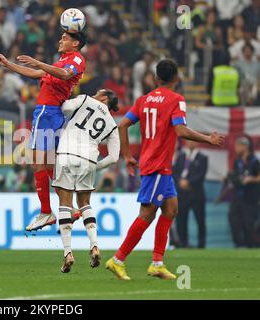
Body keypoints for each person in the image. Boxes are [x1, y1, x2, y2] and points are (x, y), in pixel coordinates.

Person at [105, 59, 224, 281]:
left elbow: (122, 125)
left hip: (159, 166)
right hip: (157, 165)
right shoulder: (176, 99)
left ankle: (157, 263)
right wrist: (208, 138)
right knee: (147, 214)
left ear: (156, 79)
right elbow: (180, 130)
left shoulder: (143, 100)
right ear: (177, 79)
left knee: (171, 210)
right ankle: (118, 259)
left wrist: (128, 156)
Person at [0, 31, 87, 231]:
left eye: (65, 38)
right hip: (50, 113)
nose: (60, 40)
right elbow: (37, 74)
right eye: (60, 37)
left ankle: (46, 212)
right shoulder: (61, 61)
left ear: (76, 43)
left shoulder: (76, 59)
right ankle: (68, 206)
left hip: (47, 111)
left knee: (37, 163)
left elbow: (64, 74)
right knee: (49, 165)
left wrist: (38, 62)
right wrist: (8, 64)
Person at [52, 89, 120, 273]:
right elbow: (114, 157)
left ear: (105, 97)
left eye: (99, 92)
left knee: (65, 204)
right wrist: (95, 166)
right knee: (85, 203)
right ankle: (94, 245)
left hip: (67, 153)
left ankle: (67, 253)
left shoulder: (85, 100)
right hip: (89, 159)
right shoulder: (113, 124)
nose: (95, 93)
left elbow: (64, 107)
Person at [220, 135, 260, 248]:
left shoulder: (254, 161)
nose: (236, 148)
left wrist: (251, 179)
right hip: (237, 196)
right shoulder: (237, 161)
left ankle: (251, 246)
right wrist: (229, 178)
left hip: (250, 198)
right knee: (233, 219)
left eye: (238, 145)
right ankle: (238, 244)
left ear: (245, 146)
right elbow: (236, 176)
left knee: (248, 223)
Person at [173, 139, 208, 248]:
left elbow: (201, 174)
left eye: (193, 141)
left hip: (196, 193)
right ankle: (183, 243)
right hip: (182, 194)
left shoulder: (202, 158)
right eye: (189, 141)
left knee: (200, 220)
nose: (191, 143)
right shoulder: (180, 156)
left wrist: (188, 182)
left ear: (197, 143)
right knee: (182, 219)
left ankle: (201, 244)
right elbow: (174, 172)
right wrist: (180, 181)